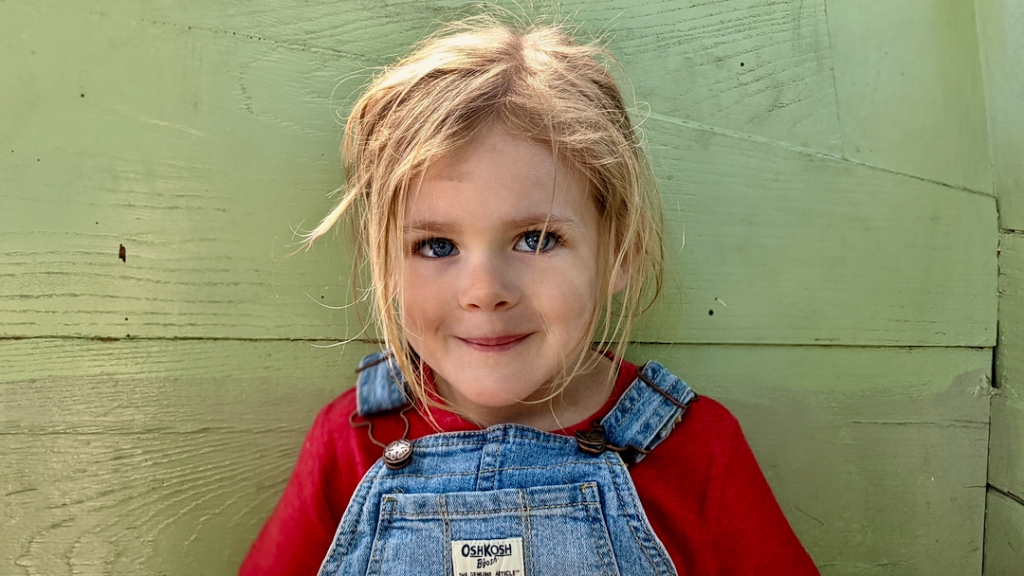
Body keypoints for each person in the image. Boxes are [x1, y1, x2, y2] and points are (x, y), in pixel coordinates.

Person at [241, 13, 819, 576]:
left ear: (620, 251)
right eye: (437, 246)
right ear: (386, 266)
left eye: (537, 238)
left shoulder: (696, 453)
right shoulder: (353, 443)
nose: (485, 291)